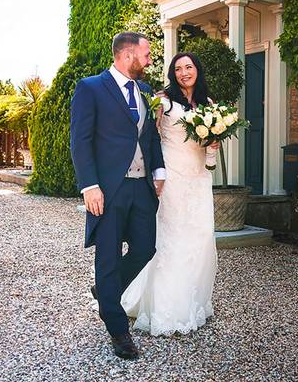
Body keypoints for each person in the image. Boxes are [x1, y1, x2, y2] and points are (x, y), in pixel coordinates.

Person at [70, 32, 166, 360]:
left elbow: (150, 138)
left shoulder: (146, 91)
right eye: (147, 54)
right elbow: (80, 141)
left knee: (145, 247)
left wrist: (159, 171)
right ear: (127, 55)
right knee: (108, 257)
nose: (151, 59)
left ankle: (105, 292)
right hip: (108, 189)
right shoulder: (91, 88)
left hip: (141, 187)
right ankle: (117, 328)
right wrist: (89, 185)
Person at [121, 51, 218, 335]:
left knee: (200, 237)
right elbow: (150, 136)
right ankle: (166, 309)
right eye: (178, 69)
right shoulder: (164, 101)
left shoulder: (208, 105)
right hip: (172, 175)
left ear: (197, 70)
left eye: (189, 67)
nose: (184, 72)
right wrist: (155, 173)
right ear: (172, 74)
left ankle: (193, 301)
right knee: (172, 239)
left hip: (199, 178)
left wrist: (212, 149)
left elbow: (209, 149)